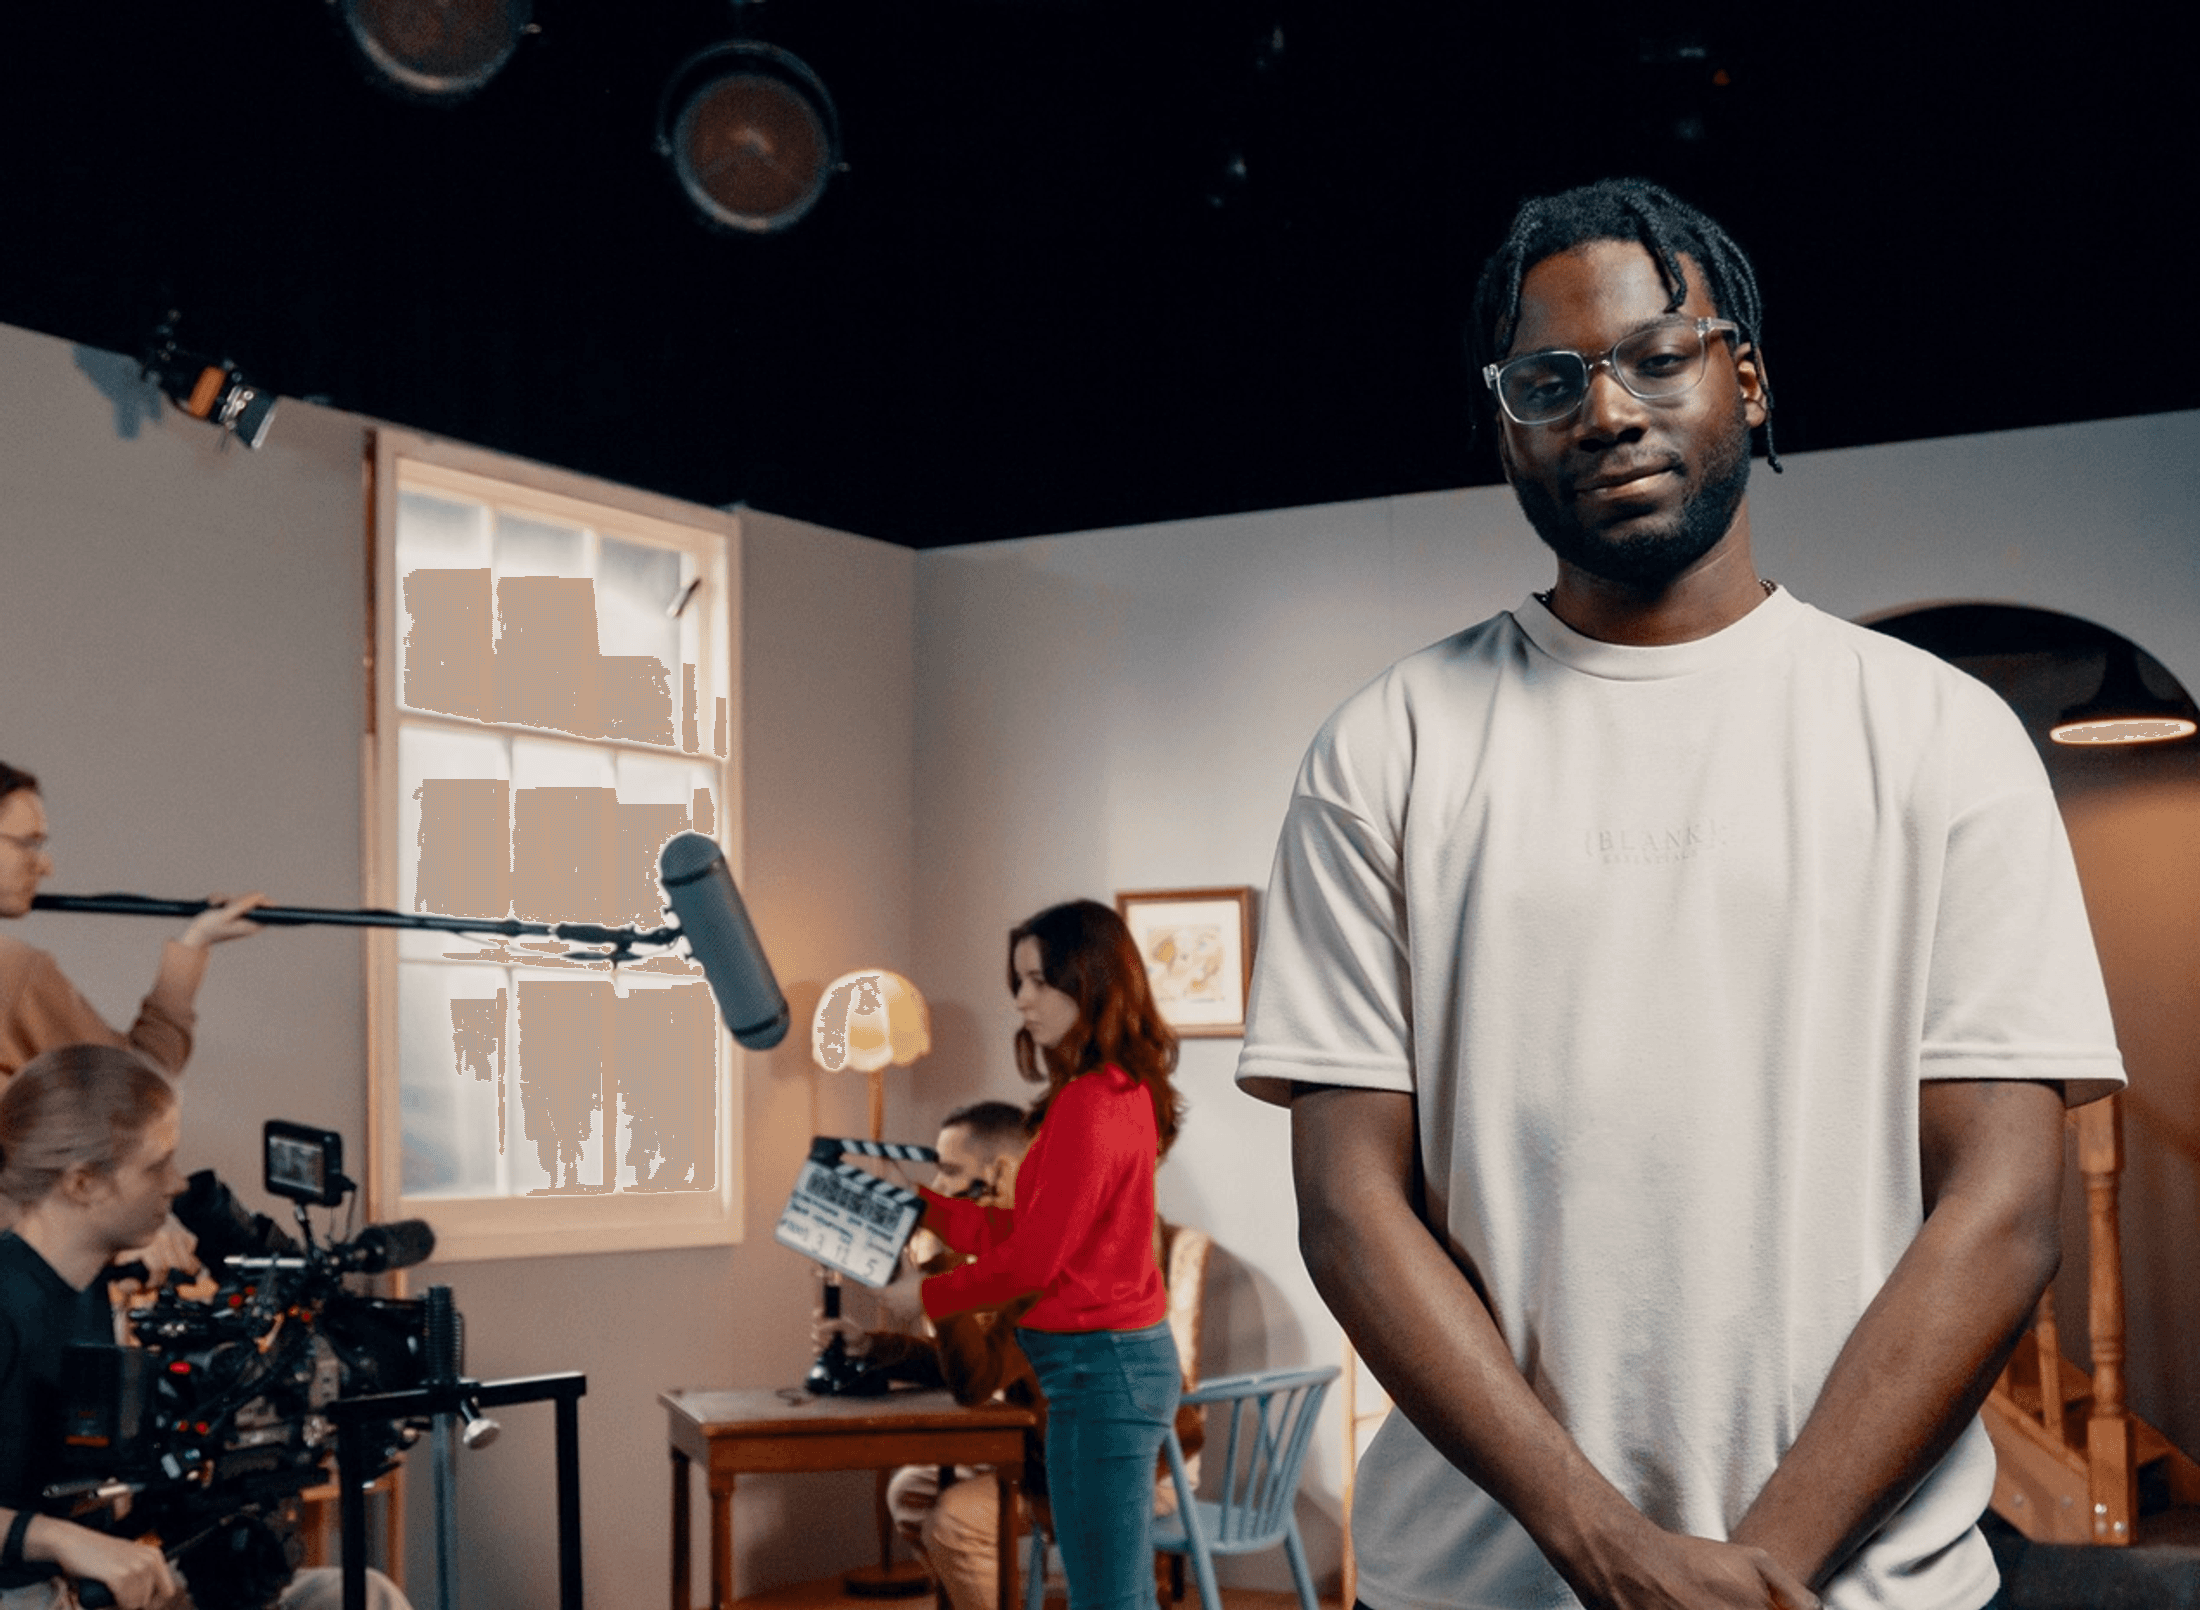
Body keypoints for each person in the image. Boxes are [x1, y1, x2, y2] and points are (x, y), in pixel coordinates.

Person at [1235, 178, 2126, 1610]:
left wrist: (1758, 1564)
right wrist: (1607, 1545)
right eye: (1550, 378)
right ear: (1506, 423)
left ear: (1749, 380)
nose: (1608, 409)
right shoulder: (1385, 748)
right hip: (1490, 1585)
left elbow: (2006, 1202)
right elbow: (1349, 1207)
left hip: (1862, 1590)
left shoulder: (1938, 736)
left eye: (1660, 355)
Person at [0, 1044, 406, 1610]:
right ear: (82, 1184)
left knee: (357, 1596)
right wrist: (59, 1539)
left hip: (84, 1582)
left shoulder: (89, 1286)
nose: (175, 1185)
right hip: (26, 1589)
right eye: (156, 1165)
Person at [919, 901, 1188, 1610]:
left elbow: (1034, 1266)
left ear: (1089, 980)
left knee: (1109, 1597)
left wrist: (933, 1296)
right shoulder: (1109, 1092)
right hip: (1096, 1372)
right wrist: (930, 1209)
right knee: (1112, 1591)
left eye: (1038, 980)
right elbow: (1037, 1235)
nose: (1021, 999)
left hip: (1104, 1372)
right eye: (1018, 981)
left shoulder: (1091, 1105)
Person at [0, 762, 263, 1085]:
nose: (46, 867)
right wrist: (195, 943)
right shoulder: (13, 972)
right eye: (29, 843)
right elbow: (138, 1087)